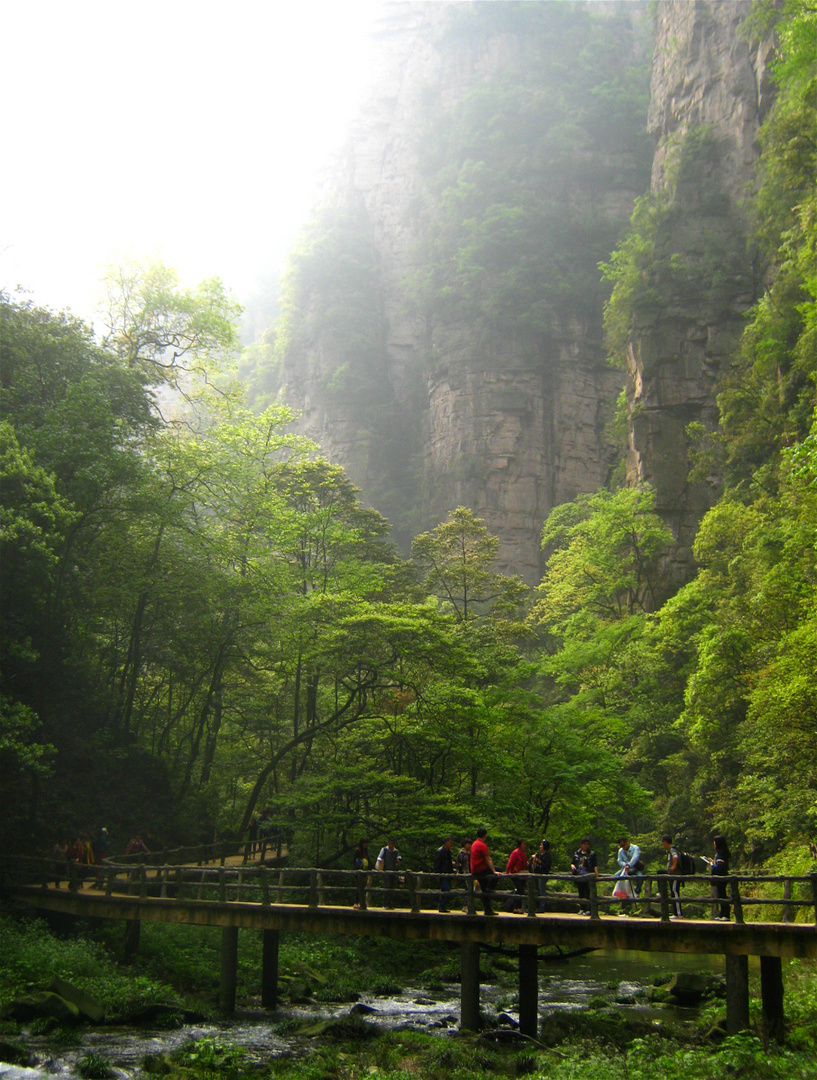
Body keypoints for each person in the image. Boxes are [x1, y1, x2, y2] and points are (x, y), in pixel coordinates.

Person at [470, 827, 499, 916]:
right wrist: (494, 871)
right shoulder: (482, 845)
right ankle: (490, 888)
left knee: (484, 890)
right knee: (499, 871)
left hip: (474, 869)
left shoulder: (474, 844)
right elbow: (488, 859)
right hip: (480, 869)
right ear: (485, 836)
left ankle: (488, 909)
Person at [705, 835, 731, 921]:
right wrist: (713, 861)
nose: (714, 844)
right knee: (721, 895)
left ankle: (726, 914)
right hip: (720, 878)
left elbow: (719, 867)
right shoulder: (720, 854)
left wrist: (712, 864)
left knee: (722, 895)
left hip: (721, 878)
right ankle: (722, 914)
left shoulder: (721, 855)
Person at [615, 835, 643, 915]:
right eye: (621, 846)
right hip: (625, 870)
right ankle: (622, 893)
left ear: (627, 842)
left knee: (640, 877)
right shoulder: (620, 851)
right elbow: (619, 861)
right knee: (615, 877)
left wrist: (629, 865)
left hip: (634, 869)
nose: (623, 847)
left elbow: (635, 857)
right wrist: (625, 865)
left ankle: (637, 891)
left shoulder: (635, 848)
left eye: (624, 845)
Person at [571, 838, 599, 915]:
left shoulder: (592, 854)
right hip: (579, 875)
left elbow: (595, 865)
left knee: (588, 892)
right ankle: (582, 908)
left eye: (587, 844)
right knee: (581, 893)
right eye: (584, 844)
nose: (586, 846)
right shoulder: (577, 854)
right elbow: (573, 862)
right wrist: (573, 867)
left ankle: (589, 909)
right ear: (581, 845)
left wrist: (596, 875)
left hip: (588, 875)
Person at [376, 838, 402, 909]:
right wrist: (380, 862)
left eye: (392, 844)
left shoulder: (396, 851)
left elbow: (399, 858)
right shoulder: (384, 850)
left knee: (392, 887)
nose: (391, 845)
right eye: (390, 843)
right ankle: (385, 903)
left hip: (393, 871)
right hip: (386, 871)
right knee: (387, 886)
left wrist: (398, 861)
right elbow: (379, 858)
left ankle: (390, 903)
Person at [661, 834, 683, 918]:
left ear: (665, 842)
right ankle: (676, 913)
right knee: (673, 892)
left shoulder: (672, 849)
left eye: (663, 843)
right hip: (673, 875)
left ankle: (679, 913)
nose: (663, 845)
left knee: (675, 892)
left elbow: (675, 857)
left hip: (675, 875)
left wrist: (673, 866)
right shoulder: (674, 849)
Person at [505, 839, 528, 912]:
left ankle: (518, 907)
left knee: (521, 890)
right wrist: (507, 874)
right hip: (515, 874)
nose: (525, 846)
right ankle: (516, 907)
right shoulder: (515, 853)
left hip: (522, 874)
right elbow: (510, 863)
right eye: (524, 844)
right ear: (520, 845)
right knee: (519, 889)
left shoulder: (523, 853)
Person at [433, 837, 454, 912]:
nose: (451, 844)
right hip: (442, 873)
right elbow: (437, 863)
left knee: (446, 890)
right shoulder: (440, 851)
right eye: (450, 842)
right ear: (446, 842)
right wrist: (437, 873)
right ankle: (441, 906)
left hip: (447, 873)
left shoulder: (448, 851)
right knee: (445, 889)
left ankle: (443, 906)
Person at [531, 839, 551, 912]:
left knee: (542, 891)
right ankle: (537, 906)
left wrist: (540, 862)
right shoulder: (540, 855)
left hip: (543, 876)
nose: (540, 847)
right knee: (537, 891)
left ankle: (542, 907)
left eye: (541, 845)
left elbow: (547, 866)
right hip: (537, 875)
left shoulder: (547, 856)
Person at [352, 839, 370, 909]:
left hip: (364, 871)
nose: (366, 845)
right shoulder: (357, 850)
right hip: (358, 870)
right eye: (365, 843)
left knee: (363, 886)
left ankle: (361, 902)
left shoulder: (365, 851)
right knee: (358, 886)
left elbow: (368, 859)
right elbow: (354, 861)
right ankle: (356, 902)